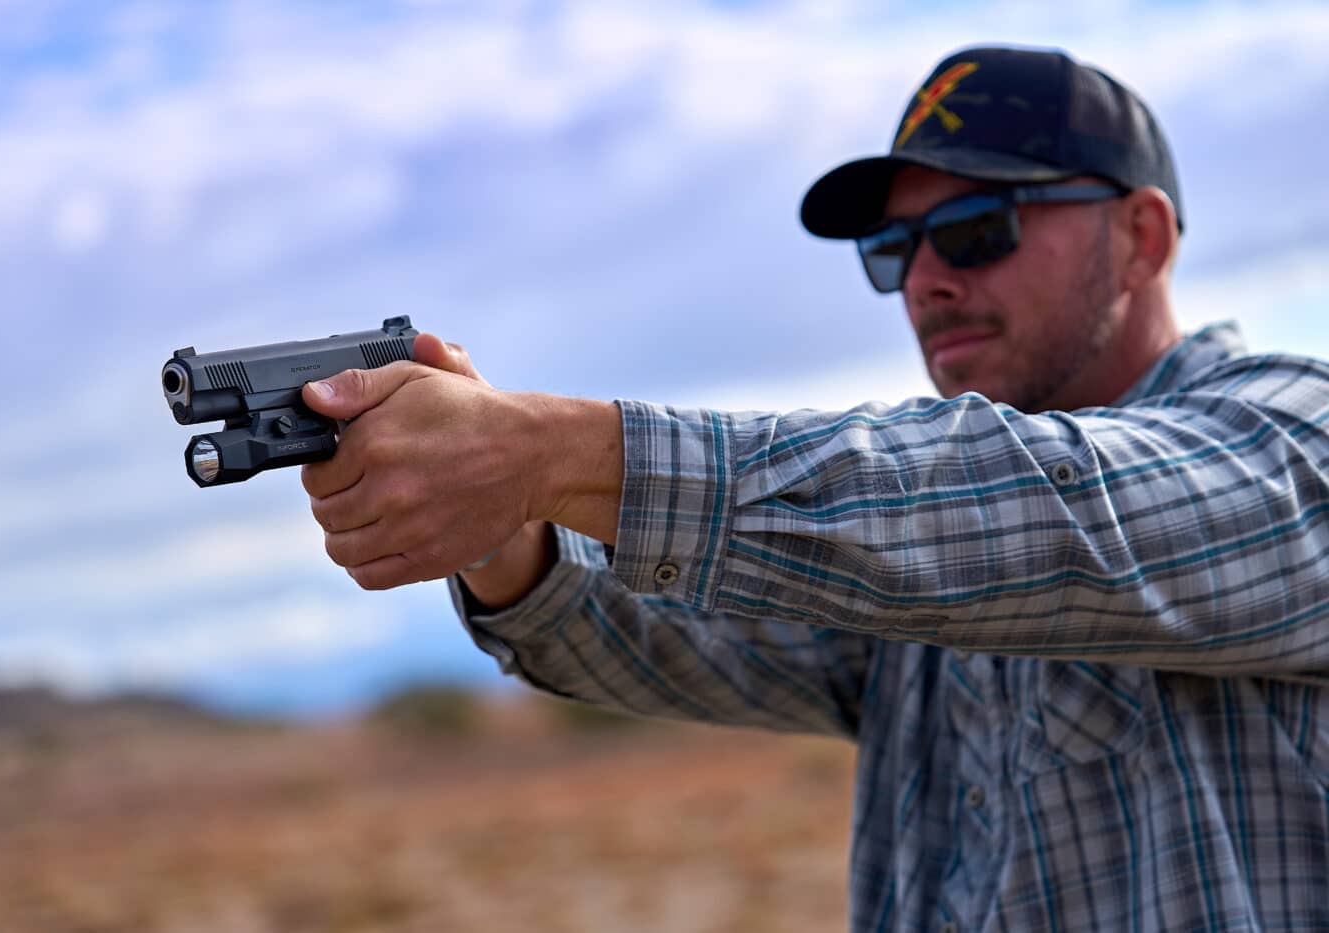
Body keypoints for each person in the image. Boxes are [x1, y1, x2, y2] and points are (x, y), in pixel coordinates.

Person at [299, 45, 1329, 931]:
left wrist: (553, 452)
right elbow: (691, 624)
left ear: (1140, 239)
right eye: (892, 250)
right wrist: (499, 523)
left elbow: (1044, 511)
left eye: (976, 231)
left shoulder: (1293, 438)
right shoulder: (910, 559)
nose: (925, 279)